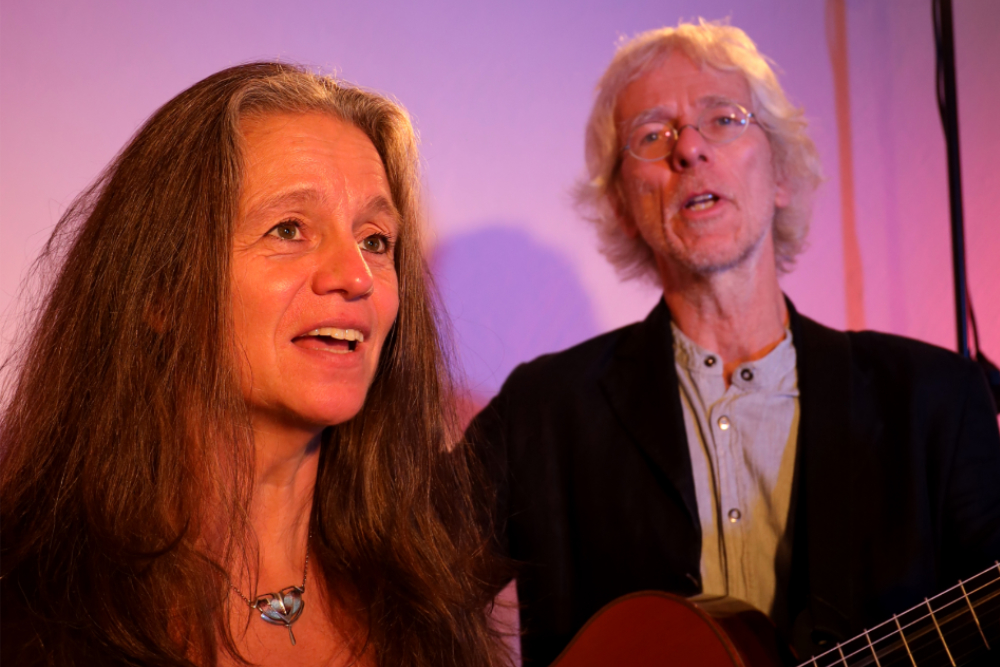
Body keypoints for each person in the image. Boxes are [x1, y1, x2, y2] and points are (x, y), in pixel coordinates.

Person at [467, 21, 1000, 666]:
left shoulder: (937, 399)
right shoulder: (541, 413)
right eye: (652, 135)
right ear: (622, 206)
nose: (689, 149)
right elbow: (388, 585)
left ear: (780, 175)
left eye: (723, 119)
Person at [0, 63, 509, 667]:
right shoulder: (25, 607)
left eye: (375, 240)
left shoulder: (432, 597)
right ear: (160, 292)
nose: (357, 276)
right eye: (289, 229)